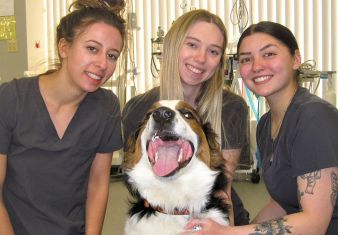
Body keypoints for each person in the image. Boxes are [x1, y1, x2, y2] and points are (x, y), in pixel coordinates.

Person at [184, 21, 338, 234]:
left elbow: (314, 224)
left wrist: (227, 233)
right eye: (246, 59)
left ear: (296, 59)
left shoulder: (314, 119)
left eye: (269, 54)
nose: (256, 66)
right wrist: (242, 229)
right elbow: (281, 203)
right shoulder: (265, 125)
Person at [0, 0, 127, 234]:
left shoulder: (105, 107)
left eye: (112, 55)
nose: (102, 64)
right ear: (64, 48)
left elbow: (98, 184)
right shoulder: (11, 99)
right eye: (92, 48)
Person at [121, 9, 250, 225]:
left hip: (214, 216)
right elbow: (139, 181)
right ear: (173, 47)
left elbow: (222, 191)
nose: (201, 58)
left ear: (220, 61)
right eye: (192, 45)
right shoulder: (138, 109)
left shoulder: (231, 108)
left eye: (213, 51)